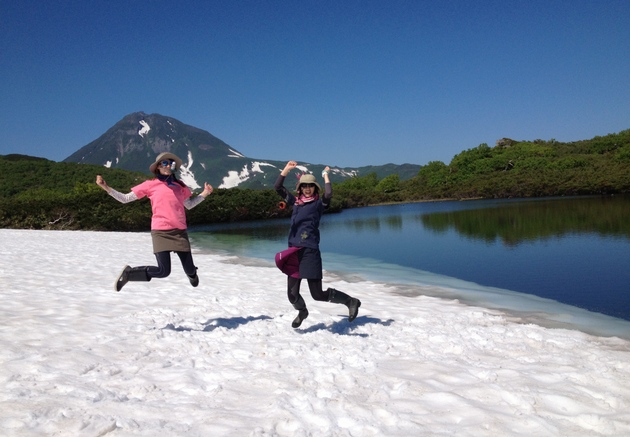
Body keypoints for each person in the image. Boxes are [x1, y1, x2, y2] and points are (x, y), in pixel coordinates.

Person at [96, 152, 213, 291]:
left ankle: (192, 274)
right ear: (158, 167)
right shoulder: (150, 185)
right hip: (160, 231)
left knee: (190, 270)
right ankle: (129, 274)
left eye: (171, 163)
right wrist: (106, 187)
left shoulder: (180, 186)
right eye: (165, 163)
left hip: (179, 232)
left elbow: (189, 204)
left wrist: (205, 193)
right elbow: (125, 199)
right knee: (163, 271)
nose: (168, 165)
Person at [274, 160, 361, 328]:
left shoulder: (318, 204)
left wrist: (325, 175)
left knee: (317, 294)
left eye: (311, 186)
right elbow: (278, 187)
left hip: (310, 251)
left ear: (315, 188)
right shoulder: (295, 202)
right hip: (293, 251)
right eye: (304, 186)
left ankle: (351, 301)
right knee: (292, 295)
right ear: (300, 188)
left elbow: (328, 195)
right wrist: (286, 169)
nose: (307, 188)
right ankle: (302, 311)